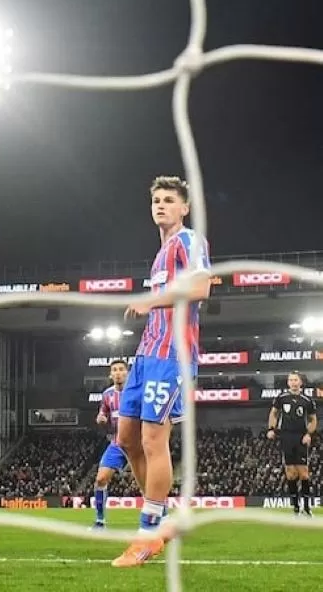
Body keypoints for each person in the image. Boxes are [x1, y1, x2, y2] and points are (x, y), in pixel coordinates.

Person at [112, 175, 211, 568]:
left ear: (184, 207)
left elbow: (202, 288)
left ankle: (147, 533)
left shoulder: (189, 241)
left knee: (154, 440)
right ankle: (161, 519)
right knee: (125, 439)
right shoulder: (159, 253)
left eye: (169, 200)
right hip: (146, 354)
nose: (161, 205)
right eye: (156, 199)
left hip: (174, 354)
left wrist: (151, 300)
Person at [267, 371, 316, 516]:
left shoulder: (307, 400)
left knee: (304, 473)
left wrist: (308, 434)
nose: (293, 382)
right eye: (291, 380)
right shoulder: (281, 398)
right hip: (286, 436)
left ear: (301, 382)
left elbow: (313, 419)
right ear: (288, 382)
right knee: (290, 474)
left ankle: (307, 508)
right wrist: (271, 429)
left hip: (300, 437)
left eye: (296, 380)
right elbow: (274, 413)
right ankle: (296, 507)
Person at [90, 359, 129, 528]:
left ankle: (161, 519)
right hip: (117, 443)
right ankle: (100, 521)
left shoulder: (137, 392)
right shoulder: (107, 395)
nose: (118, 372)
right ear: (110, 374)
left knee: (150, 483)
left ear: (127, 373)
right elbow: (103, 413)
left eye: (121, 369)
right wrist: (101, 418)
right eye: (115, 370)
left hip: (138, 444)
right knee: (100, 479)